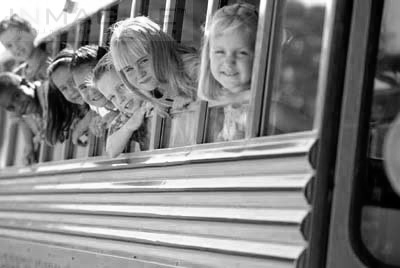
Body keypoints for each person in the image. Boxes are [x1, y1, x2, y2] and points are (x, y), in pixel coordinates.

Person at [110, 16, 199, 114]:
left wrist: (197, 100)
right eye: (129, 69)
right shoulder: (151, 93)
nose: (140, 73)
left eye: (143, 61)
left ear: (160, 51)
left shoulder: (194, 70)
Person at [197, 3, 258, 141]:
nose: (229, 61)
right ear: (208, 56)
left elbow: (300, 124)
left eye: (242, 53)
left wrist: (243, 97)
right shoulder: (223, 104)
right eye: (220, 52)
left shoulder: (265, 102)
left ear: (259, 57)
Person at [92, 53, 148, 157]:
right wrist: (128, 127)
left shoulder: (154, 98)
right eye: (112, 97)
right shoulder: (125, 116)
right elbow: (111, 150)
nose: (120, 99)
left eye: (121, 86)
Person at [47, 48, 91, 146]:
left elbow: (98, 112)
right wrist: (83, 136)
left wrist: (82, 126)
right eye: (63, 89)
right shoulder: (78, 114)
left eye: (72, 81)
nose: (71, 91)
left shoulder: (104, 96)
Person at [0, 72, 46, 164]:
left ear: (26, 83)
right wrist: (29, 146)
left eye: (17, 96)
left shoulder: (46, 91)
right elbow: (22, 121)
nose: (19, 106)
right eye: (12, 107)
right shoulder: (28, 116)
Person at [0, 14, 50, 81]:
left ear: (33, 32)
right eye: (9, 45)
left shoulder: (52, 64)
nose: (16, 47)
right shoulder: (17, 76)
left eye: (18, 39)